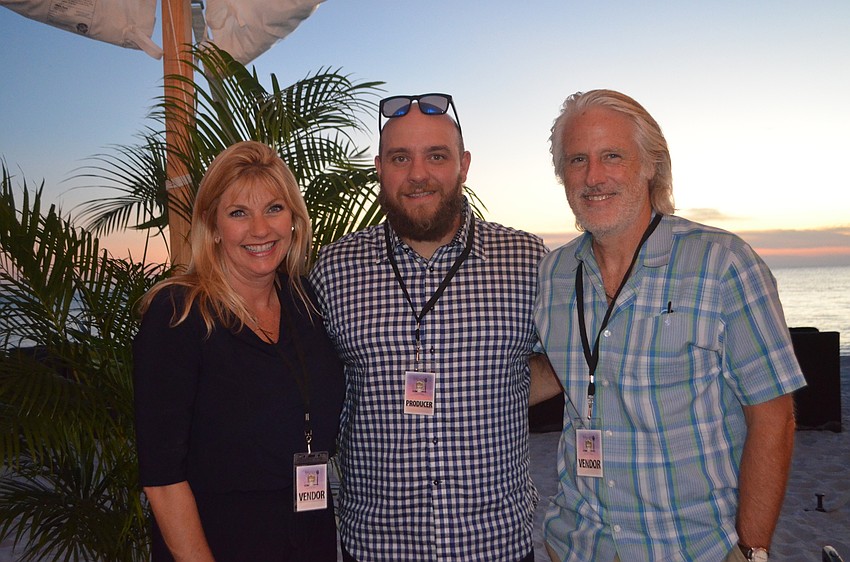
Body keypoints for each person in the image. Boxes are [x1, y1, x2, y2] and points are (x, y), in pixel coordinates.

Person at [533, 89, 807, 562]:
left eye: (612, 156)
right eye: (577, 160)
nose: (593, 177)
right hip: (576, 544)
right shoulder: (553, 274)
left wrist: (752, 547)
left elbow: (773, 417)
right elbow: (560, 370)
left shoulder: (723, 263)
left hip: (692, 547)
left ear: (650, 165)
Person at [308, 93, 547, 561]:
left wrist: (506, 386)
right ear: (379, 167)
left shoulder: (527, 261)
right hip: (377, 544)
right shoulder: (334, 270)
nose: (418, 174)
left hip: (495, 542)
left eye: (436, 156)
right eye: (401, 158)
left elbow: (573, 357)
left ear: (464, 165)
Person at [133, 141, 344, 561]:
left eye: (274, 208)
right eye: (238, 213)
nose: (261, 230)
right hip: (219, 541)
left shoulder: (307, 302)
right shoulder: (179, 313)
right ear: (212, 225)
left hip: (310, 534)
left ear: (294, 220)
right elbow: (161, 476)